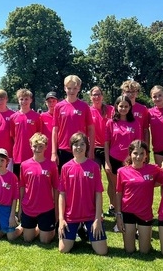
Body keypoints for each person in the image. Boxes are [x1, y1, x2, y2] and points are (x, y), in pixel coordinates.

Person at [58, 132, 107, 255]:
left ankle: (86, 228)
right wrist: (61, 219)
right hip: (71, 215)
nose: (79, 147)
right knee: (63, 249)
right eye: (75, 144)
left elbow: (98, 193)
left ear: (87, 147)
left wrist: (97, 219)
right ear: (71, 147)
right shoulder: (65, 168)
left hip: (90, 215)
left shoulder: (94, 167)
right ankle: (78, 228)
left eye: (82, 144)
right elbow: (62, 194)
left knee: (102, 251)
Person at [115, 140, 163, 254]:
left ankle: (146, 242)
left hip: (145, 213)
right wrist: (118, 215)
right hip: (128, 212)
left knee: (144, 251)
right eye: (135, 153)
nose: (138, 157)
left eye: (142, 153)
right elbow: (118, 193)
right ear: (130, 154)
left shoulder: (153, 169)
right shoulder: (122, 171)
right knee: (129, 250)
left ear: (146, 155)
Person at [105, 96, 141, 219]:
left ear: (130, 107)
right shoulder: (111, 123)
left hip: (129, 161)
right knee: (117, 189)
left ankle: (130, 212)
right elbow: (106, 144)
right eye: (121, 106)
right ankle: (118, 215)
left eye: (126, 106)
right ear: (116, 106)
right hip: (114, 159)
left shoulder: (135, 123)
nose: (123, 108)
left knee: (130, 188)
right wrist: (107, 162)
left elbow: (138, 144)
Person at [19, 133, 59, 244]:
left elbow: (56, 188)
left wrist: (56, 210)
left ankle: (46, 230)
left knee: (45, 241)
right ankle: (36, 229)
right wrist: (20, 207)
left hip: (46, 208)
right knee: (28, 239)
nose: (37, 149)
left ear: (46, 147)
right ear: (30, 146)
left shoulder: (52, 165)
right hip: (29, 207)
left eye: (41, 146)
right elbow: (22, 186)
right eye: (35, 146)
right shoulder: (24, 165)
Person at [51, 75, 95, 170]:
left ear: (79, 88)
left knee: (81, 176)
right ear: (64, 88)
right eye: (69, 88)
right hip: (63, 149)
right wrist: (54, 153)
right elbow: (55, 130)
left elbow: (91, 129)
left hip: (81, 148)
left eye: (75, 88)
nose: (72, 91)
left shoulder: (84, 106)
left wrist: (91, 150)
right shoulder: (58, 106)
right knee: (63, 177)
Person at [89, 86, 115, 216]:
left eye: (98, 94)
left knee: (113, 179)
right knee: (95, 180)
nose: (97, 97)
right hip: (94, 149)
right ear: (90, 97)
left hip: (110, 148)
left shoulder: (111, 109)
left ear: (102, 96)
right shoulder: (88, 111)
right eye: (94, 94)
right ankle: (97, 209)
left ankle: (113, 206)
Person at [10, 88, 42, 177]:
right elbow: (13, 136)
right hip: (18, 155)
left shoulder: (37, 117)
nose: (24, 101)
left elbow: (39, 136)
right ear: (18, 100)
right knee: (18, 180)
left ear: (31, 100)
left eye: (26, 99)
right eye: (21, 99)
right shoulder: (13, 117)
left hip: (32, 154)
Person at [40, 91, 58, 160]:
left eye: (53, 101)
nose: (51, 103)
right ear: (46, 103)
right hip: (46, 150)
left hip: (60, 149)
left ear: (57, 102)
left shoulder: (61, 116)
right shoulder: (42, 117)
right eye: (49, 101)